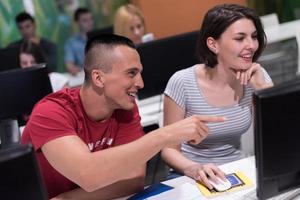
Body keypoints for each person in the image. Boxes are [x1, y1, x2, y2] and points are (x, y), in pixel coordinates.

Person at [21, 34, 225, 199]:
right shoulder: (50, 112)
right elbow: (88, 175)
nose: (141, 83)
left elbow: (134, 180)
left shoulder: (124, 107)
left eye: (140, 73)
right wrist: (165, 135)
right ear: (98, 77)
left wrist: (67, 199)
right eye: (131, 73)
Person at [161, 4, 273, 189]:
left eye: (254, 37)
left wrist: (264, 89)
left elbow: (279, 135)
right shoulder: (182, 82)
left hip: (237, 172)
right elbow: (168, 149)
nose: (252, 45)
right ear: (213, 44)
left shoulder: (257, 76)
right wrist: (194, 168)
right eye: (240, 38)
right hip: (190, 175)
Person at [64, 7, 94, 75]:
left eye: (91, 19)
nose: (90, 23)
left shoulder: (101, 38)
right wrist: (72, 68)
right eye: (85, 20)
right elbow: (69, 65)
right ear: (77, 22)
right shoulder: (71, 43)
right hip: (84, 76)